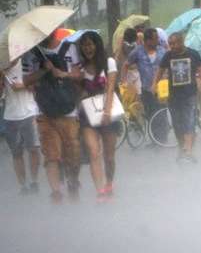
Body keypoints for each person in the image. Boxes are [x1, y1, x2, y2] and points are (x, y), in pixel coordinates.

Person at [23, 31, 82, 203]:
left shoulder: (70, 48)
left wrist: (63, 74)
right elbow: (26, 80)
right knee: (51, 154)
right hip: (44, 111)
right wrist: (43, 70)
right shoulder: (31, 53)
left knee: (73, 153)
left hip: (69, 110)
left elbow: (79, 74)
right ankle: (56, 193)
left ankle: (72, 182)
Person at [154, 32, 201, 159]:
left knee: (189, 120)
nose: (172, 46)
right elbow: (160, 70)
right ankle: (182, 147)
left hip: (190, 94)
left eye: (174, 43)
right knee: (176, 123)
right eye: (170, 44)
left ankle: (189, 149)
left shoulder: (193, 54)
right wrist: (154, 85)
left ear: (181, 41)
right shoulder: (168, 56)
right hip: (173, 95)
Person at [77, 31, 119, 202]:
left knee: (109, 156)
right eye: (84, 45)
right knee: (94, 152)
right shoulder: (79, 68)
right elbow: (79, 94)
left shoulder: (109, 63)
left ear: (97, 45)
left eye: (90, 44)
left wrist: (107, 112)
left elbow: (110, 88)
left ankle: (109, 182)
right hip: (87, 116)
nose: (88, 48)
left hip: (108, 113)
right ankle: (100, 190)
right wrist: (76, 81)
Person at [0, 59, 41, 195]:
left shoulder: (29, 61)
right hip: (11, 115)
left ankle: (34, 181)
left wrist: (24, 85)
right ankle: (23, 185)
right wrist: (2, 73)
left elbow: (39, 83)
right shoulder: (2, 66)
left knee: (34, 149)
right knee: (16, 153)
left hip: (30, 112)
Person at [122, 28, 166, 138]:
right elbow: (126, 65)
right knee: (150, 114)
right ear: (148, 41)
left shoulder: (162, 50)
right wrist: (124, 81)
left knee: (161, 113)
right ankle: (154, 139)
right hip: (147, 89)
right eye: (155, 38)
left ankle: (162, 138)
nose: (158, 40)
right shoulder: (137, 52)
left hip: (162, 89)